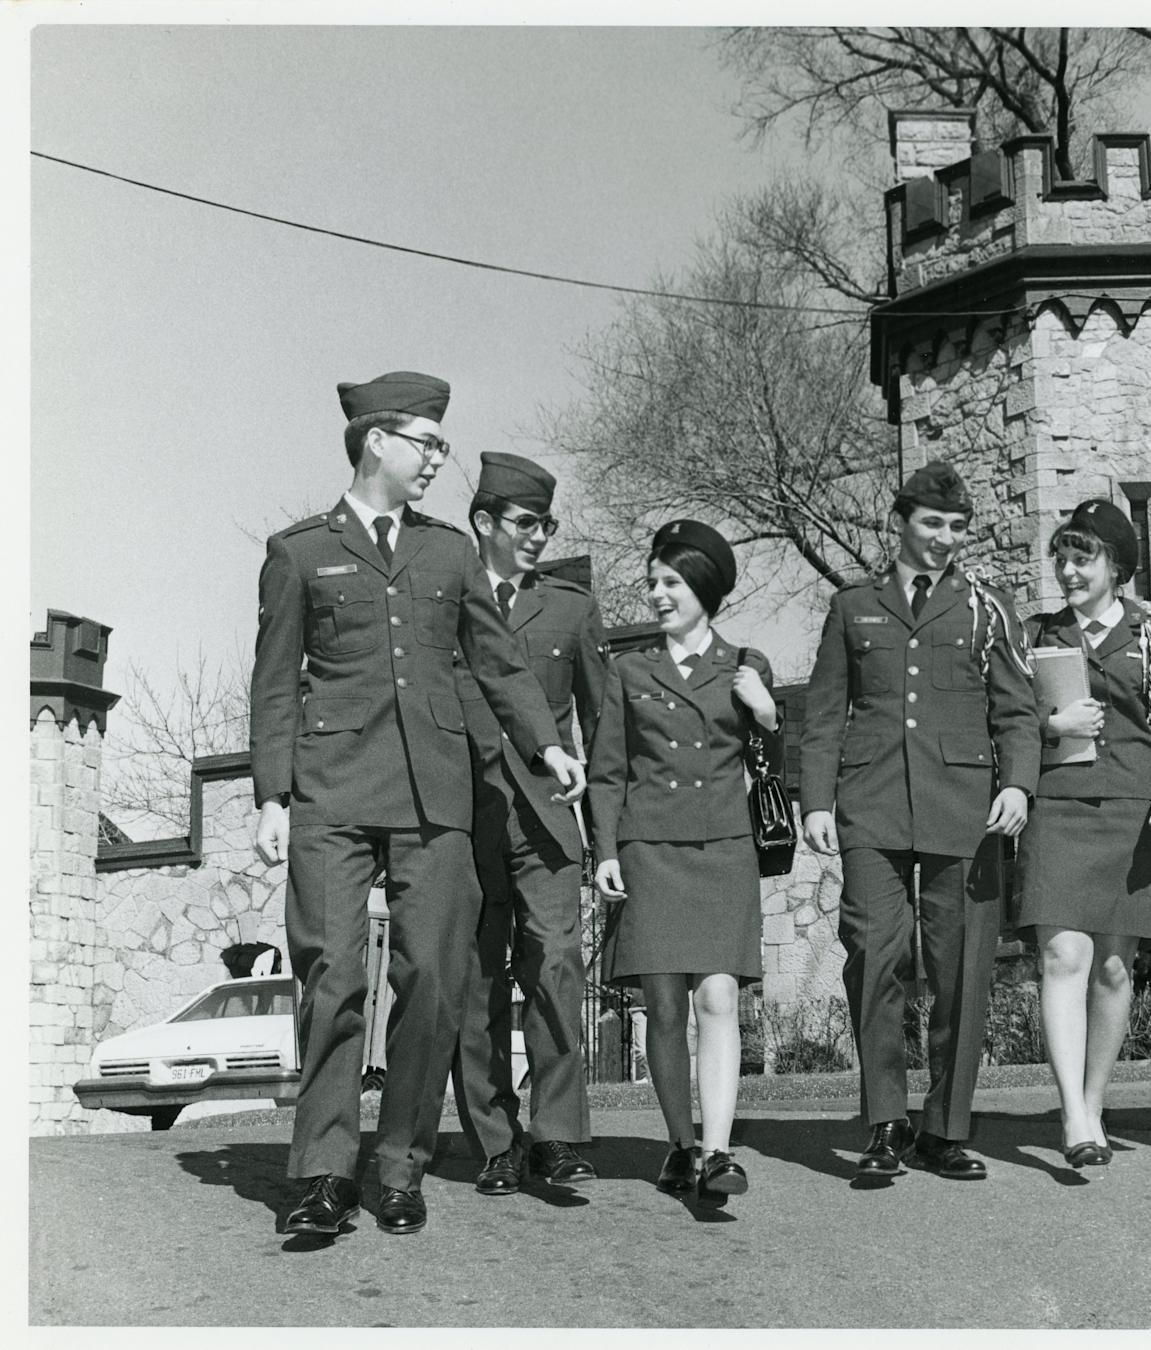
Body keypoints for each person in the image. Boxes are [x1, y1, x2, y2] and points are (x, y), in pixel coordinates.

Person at [250, 372, 585, 1238]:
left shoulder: (448, 554)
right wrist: (272, 796)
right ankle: (323, 1173)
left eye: (442, 443)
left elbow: (499, 664)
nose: (441, 457)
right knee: (333, 982)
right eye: (426, 442)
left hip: (436, 794)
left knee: (433, 982)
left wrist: (547, 745)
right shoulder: (298, 553)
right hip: (330, 791)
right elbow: (276, 682)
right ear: (374, 442)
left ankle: (399, 1164)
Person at [799, 462, 1040, 1184]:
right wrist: (815, 800)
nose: (943, 539)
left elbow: (1017, 711)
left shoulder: (985, 608)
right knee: (873, 956)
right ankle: (883, 1121)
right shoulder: (853, 607)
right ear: (898, 522)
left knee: (961, 967)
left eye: (956, 527)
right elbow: (822, 714)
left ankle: (945, 1127)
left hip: (963, 809)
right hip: (870, 803)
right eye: (931, 524)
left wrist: (1020, 785)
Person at [588, 520, 780, 1203]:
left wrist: (768, 715)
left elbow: (773, 774)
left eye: (670, 581)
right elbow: (607, 773)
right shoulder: (627, 671)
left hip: (723, 850)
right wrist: (604, 852)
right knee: (664, 1008)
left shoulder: (746, 665)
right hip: (649, 850)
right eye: (652, 581)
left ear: (703, 586)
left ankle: (720, 1150)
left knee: (719, 996)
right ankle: (680, 1143)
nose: (657, 593)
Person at [1013, 500, 1151, 1168]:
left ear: (1116, 565)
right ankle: (1073, 1115)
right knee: (1063, 957)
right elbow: (1003, 721)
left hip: (1129, 812)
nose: (1067, 570)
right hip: (1057, 810)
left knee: (1115, 967)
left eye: (1081, 558)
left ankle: (1094, 1098)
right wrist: (1049, 728)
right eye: (1060, 557)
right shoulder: (1034, 634)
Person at [449, 452, 609, 1198]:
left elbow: (604, 734)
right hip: (461, 817)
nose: (540, 535)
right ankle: (494, 1139)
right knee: (476, 981)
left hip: (547, 820)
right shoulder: (441, 597)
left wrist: (606, 840)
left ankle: (556, 1134)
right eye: (525, 521)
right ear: (484, 522)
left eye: (547, 522)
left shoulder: (571, 609)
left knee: (556, 967)